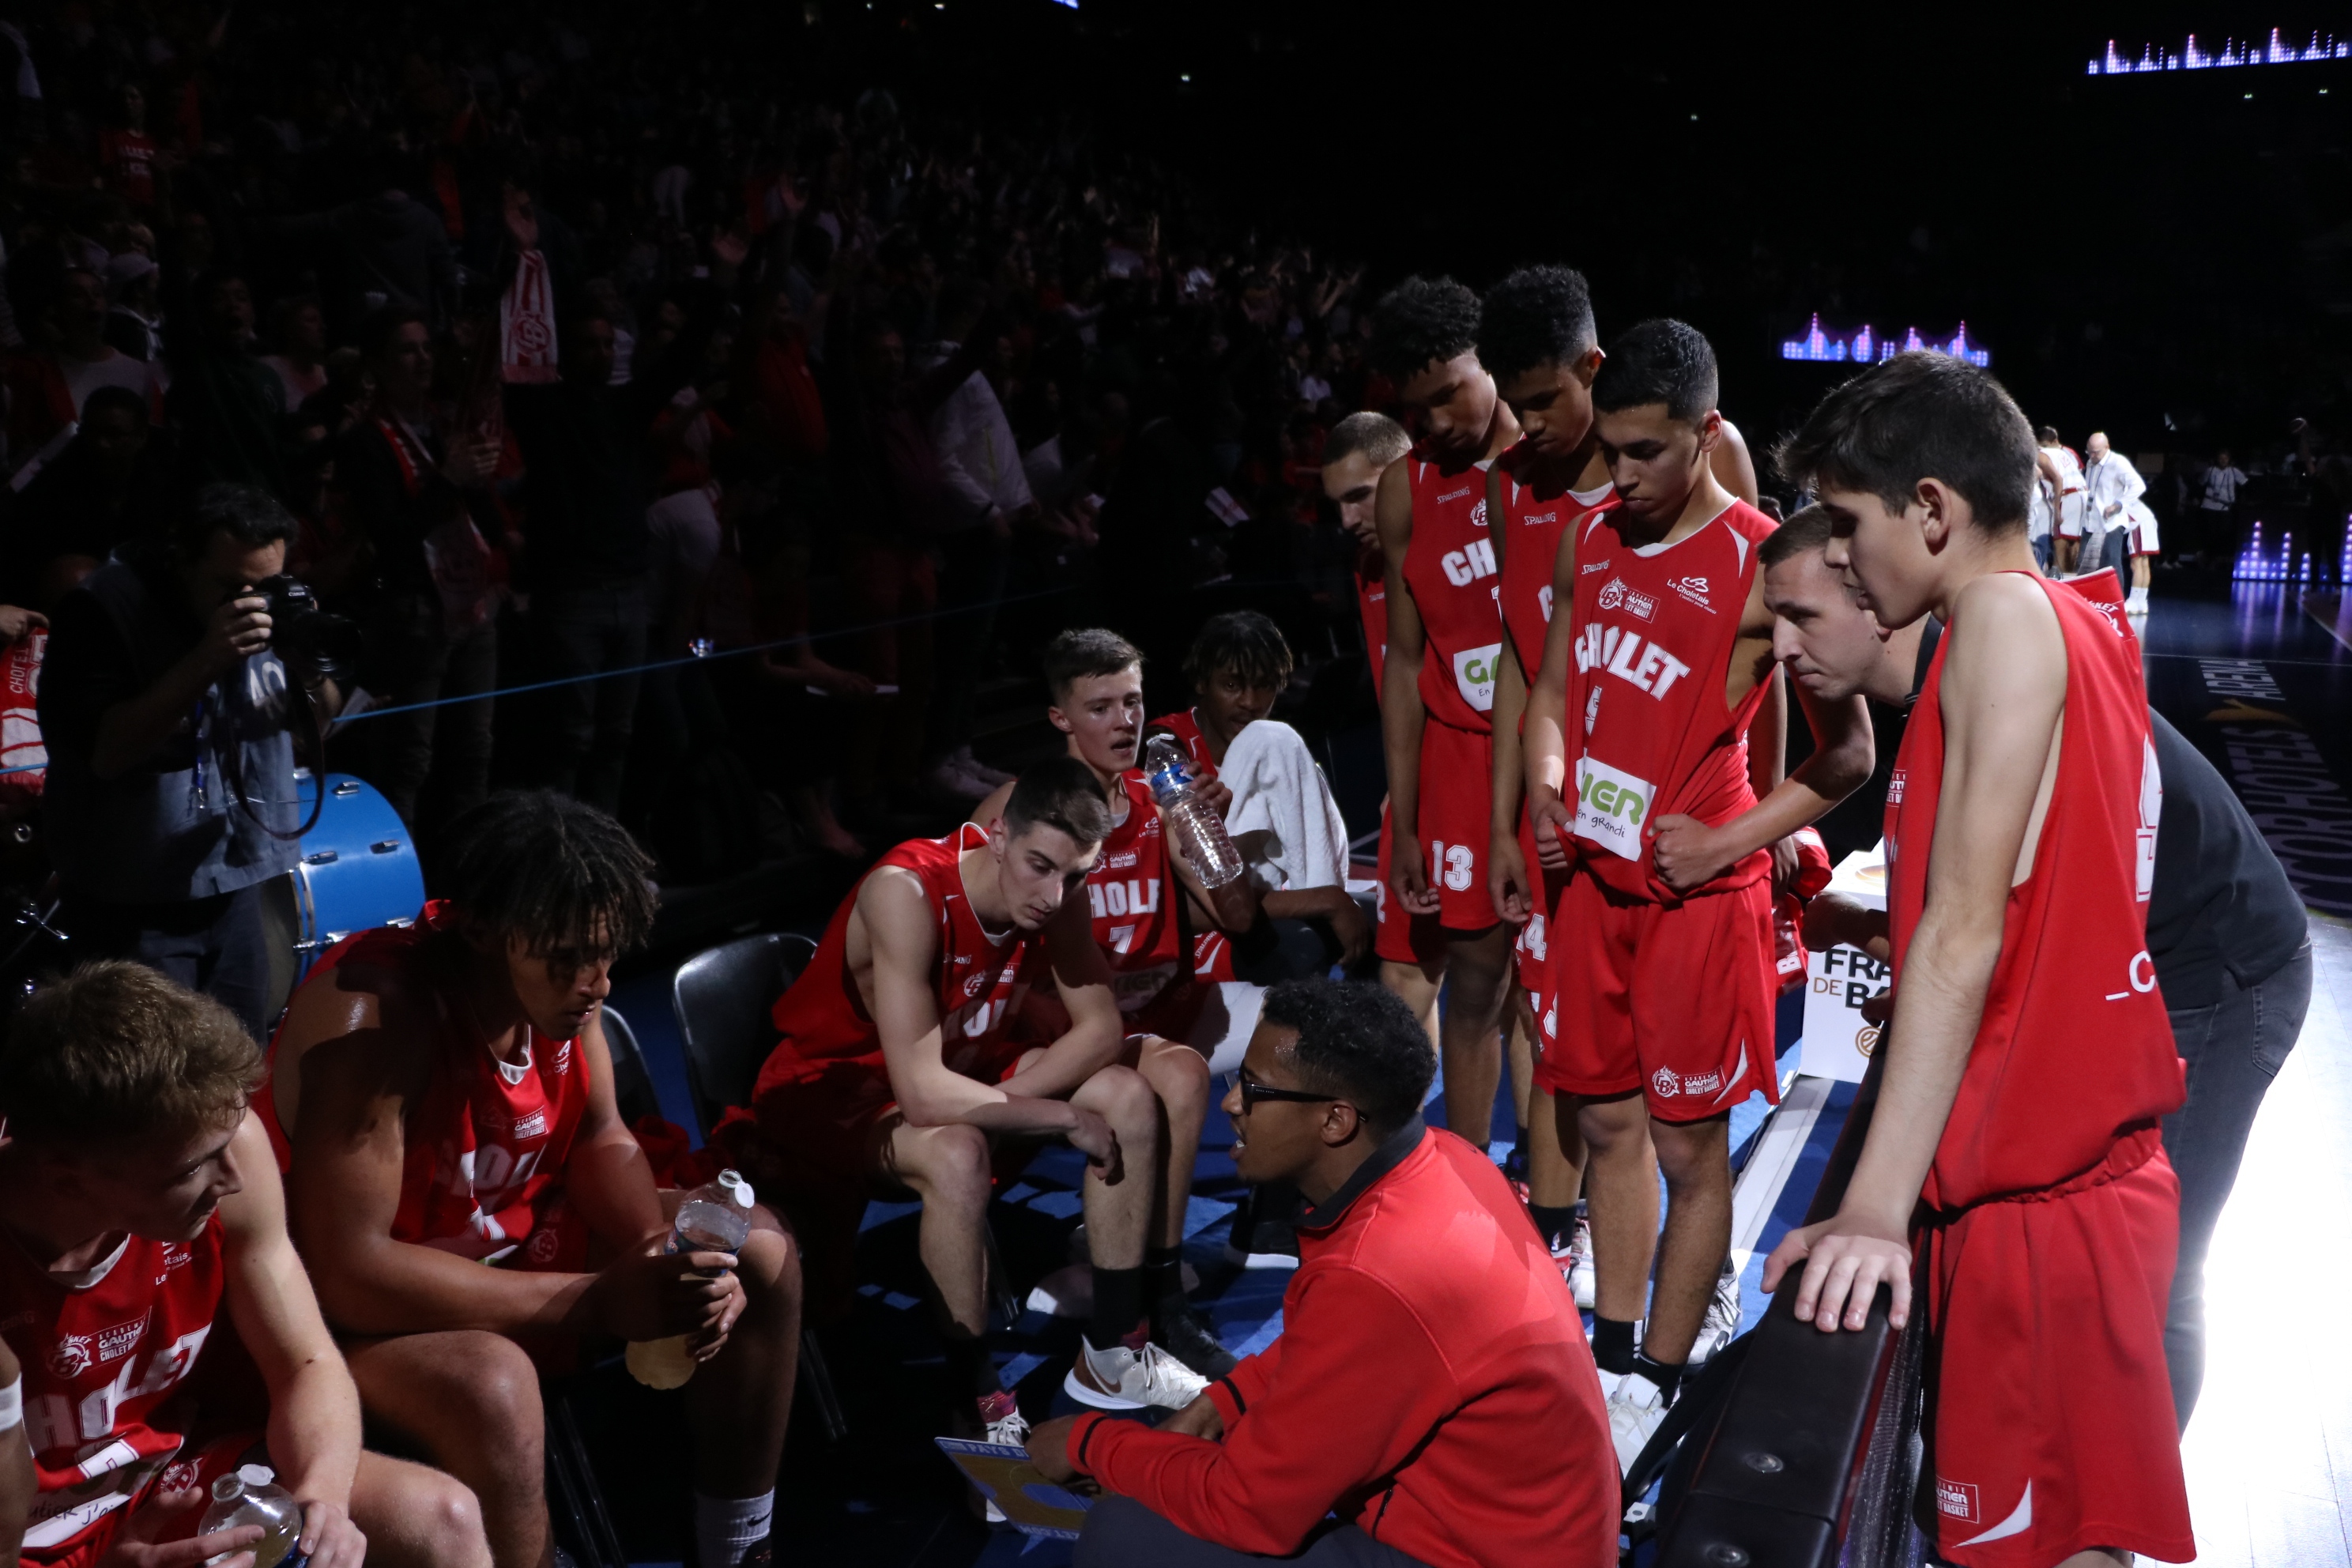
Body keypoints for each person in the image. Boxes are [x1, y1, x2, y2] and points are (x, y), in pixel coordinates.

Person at [1766, 352, 2193, 1568]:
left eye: (1850, 525)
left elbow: (1964, 932)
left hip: (2047, 1206)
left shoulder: (2003, 615)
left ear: (1936, 510)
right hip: (2061, 1187)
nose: (1841, 560)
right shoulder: (2072, 617)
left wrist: (1868, 1210)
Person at [1762, 501, 2311, 1433]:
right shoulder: (1949, 678)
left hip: (2217, 971)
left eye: (1803, 615)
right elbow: (2008, 896)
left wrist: (1872, 1208)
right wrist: (1874, 921)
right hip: (2150, 950)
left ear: (1878, 604)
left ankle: (2116, 1505)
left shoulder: (1985, 676)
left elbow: (1974, 936)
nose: (1780, 645)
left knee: (2155, 1268)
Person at [259, 793, 804, 1568]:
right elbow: (348, 1273)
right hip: (353, 1311)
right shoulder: (377, 1026)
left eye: (608, 956)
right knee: (496, 1382)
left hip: (494, 1241)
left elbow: (600, 1137)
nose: (598, 983)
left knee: (756, 1246)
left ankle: (737, 1544)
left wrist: (655, 1247)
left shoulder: (556, 998)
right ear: (480, 928)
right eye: (570, 958)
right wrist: (593, 1301)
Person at [1522, 319, 1870, 1464]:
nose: (1617, 476)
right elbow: (1555, 679)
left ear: (1706, 437)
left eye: (1643, 455)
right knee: (1606, 1129)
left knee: (1688, 1151)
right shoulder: (1587, 537)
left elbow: (1850, 757)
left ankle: (1660, 1383)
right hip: (1591, 891)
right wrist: (1545, 774)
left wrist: (1733, 845)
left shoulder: (1769, 559)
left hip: (1690, 902)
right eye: (1609, 449)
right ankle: (1614, 1357)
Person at [1024, 977, 1616, 1568]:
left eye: (1253, 1089)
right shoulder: (1448, 1159)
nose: (1231, 1105)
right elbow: (1339, 1349)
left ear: (1335, 1121)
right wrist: (1223, 1404)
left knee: (1126, 1533)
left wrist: (1089, 1444)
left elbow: (1250, 1512)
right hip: (1532, 1536)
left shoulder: (1380, 1275)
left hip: (1480, 1554)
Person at [718, 758, 1212, 1456]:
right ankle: (976, 1399)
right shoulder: (907, 890)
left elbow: (1099, 1027)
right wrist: (1057, 1116)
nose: (1054, 893)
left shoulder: (1061, 886)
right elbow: (921, 1096)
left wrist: (997, 1104)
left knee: (1127, 1095)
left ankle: (1114, 1347)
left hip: (958, 1068)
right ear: (1000, 835)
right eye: (1040, 865)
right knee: (957, 1150)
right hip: (841, 1085)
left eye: (1074, 876)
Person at [0, 960, 489, 1568]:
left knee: (444, 1520)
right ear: (67, 1181)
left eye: (227, 1146)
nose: (231, 1180)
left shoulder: (231, 1151)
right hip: (23, 1542)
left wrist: (321, 1505)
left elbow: (304, 1361)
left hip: (170, 1482)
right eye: (189, 1171)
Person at [964, 630, 1250, 1375]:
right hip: (1047, 1031)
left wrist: (1205, 825)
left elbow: (1240, 917)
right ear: (1061, 717)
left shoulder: (1162, 797)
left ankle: (1163, 1299)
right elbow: (962, 918)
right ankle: (1119, 1322)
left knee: (1185, 1073)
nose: (1124, 721)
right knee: (1145, 1083)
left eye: (1133, 702)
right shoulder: (1019, 810)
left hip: (1138, 1020)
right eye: (1100, 707)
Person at [39, 484, 340, 1041]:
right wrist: (208, 657)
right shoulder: (104, 611)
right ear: (182, 558)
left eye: (264, 585)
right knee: (151, 1090)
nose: (250, 602)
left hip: (236, 886)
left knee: (235, 1071)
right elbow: (106, 753)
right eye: (230, 586)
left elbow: (321, 723)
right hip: (134, 905)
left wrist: (311, 666)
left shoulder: (275, 605)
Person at [1473, 265, 1620, 1292]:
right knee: (1548, 1024)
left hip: (1671, 802)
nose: (1527, 424)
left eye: (1544, 400)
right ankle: (1555, 1232)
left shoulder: (1700, 454)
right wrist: (1501, 825)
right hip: (1552, 798)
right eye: (1514, 404)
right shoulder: (1506, 486)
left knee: (1642, 1047)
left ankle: (1645, 1259)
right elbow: (1521, 669)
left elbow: (1765, 636)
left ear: (1595, 368)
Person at [1366, 277, 1518, 1155]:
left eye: (1449, 393)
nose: (1434, 422)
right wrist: (1406, 813)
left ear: (1489, 362)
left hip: (1560, 766)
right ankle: (1466, 1188)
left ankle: (1554, 1203)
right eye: (1415, 409)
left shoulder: (1559, 472)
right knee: (1473, 994)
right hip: (1457, 768)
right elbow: (1405, 661)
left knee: (1551, 1002)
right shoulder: (1406, 489)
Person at [336, 307, 503, 838]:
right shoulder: (366, 442)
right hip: (413, 614)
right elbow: (391, 538)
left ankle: (468, 883)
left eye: (427, 348)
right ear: (379, 366)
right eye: (407, 350)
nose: (423, 359)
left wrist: (476, 483)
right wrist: (448, 478)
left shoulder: (444, 426)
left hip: (470, 606)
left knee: (474, 752)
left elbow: (482, 516)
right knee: (410, 759)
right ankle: (401, 898)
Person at [1144, 613, 1366, 973]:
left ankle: (1325, 898)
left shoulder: (1267, 748)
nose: (1249, 701)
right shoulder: (1166, 749)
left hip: (1261, 894)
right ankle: (1323, 900)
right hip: (1205, 917)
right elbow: (1170, 899)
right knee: (1273, 737)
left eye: (1263, 685)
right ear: (1202, 682)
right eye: (1232, 686)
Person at [2043, 428, 2089, 574]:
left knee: (2060, 541)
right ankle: (2071, 578)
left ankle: (2058, 580)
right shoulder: (2068, 452)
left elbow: (2058, 478)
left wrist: (2056, 509)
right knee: (2074, 541)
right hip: (2082, 493)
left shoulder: (2041, 453)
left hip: (2067, 495)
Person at [2196, 447, 2246, 560]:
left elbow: (2245, 484)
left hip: (2226, 507)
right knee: (2210, 532)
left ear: (2229, 460)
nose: (2223, 461)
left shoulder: (2233, 471)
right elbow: (2200, 484)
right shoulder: (2211, 471)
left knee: (2224, 533)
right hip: (2210, 506)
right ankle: (2208, 556)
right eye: (2221, 458)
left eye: (2225, 458)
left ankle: (2218, 557)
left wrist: (2240, 500)